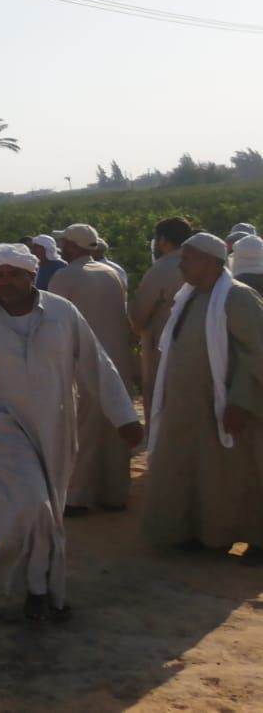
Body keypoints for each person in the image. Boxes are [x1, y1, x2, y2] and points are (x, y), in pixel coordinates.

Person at [0, 244, 141, 621]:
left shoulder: (62, 312)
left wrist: (124, 416)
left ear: (32, 276)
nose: (5, 282)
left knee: (50, 511)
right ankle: (36, 586)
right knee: (33, 504)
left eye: (14, 274)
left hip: (54, 422)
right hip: (0, 425)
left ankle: (42, 588)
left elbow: (96, 363)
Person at [140, 233, 263, 561]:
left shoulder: (237, 297)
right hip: (191, 406)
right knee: (202, 475)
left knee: (241, 476)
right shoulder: (190, 296)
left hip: (229, 407)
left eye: (188, 258)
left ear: (211, 262)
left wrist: (240, 402)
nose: (181, 265)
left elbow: (256, 356)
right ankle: (208, 535)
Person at [49, 224, 138, 516]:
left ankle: (76, 497)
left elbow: (53, 322)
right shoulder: (111, 273)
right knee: (114, 429)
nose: (61, 246)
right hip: (117, 361)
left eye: (65, 242)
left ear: (73, 246)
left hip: (83, 362)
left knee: (81, 431)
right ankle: (114, 493)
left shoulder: (65, 276)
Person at [131, 217, 195, 422]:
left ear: (164, 240)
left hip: (163, 347)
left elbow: (139, 315)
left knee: (161, 404)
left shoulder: (162, 268)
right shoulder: (202, 262)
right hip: (199, 345)